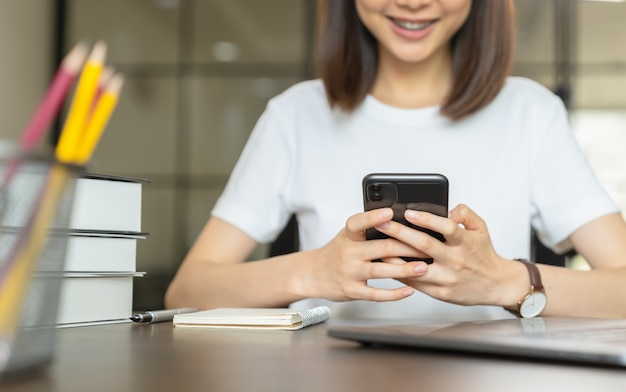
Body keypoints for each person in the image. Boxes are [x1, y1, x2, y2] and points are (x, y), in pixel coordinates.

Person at [165, 0, 626, 321]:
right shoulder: (295, 115)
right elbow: (188, 291)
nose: (412, 1)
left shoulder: (531, 112)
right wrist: (315, 271)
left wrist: (505, 281)